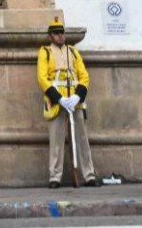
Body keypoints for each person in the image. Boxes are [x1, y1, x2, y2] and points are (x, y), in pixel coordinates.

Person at [37, 16, 98, 188]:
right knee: (55, 140)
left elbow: (83, 76)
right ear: (50, 36)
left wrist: (78, 96)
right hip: (57, 101)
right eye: (56, 33)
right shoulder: (45, 52)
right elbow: (42, 78)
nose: (60, 36)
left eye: (61, 33)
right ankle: (54, 176)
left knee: (82, 138)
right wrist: (60, 99)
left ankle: (89, 174)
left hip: (74, 100)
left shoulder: (72, 51)